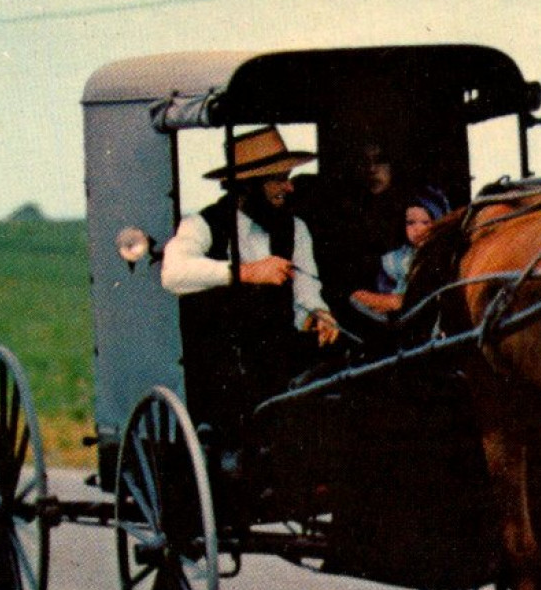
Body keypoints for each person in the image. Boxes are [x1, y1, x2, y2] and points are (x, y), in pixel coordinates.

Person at [161, 126, 340, 426]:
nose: (289, 187)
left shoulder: (295, 228)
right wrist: (245, 272)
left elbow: (307, 286)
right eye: (278, 179)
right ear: (247, 185)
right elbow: (173, 274)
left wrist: (319, 313)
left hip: (276, 357)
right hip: (221, 365)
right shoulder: (202, 225)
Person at [350, 186, 449, 317]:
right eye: (410, 223)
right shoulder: (399, 257)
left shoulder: (442, 256)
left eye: (425, 222)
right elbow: (384, 285)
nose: (417, 229)